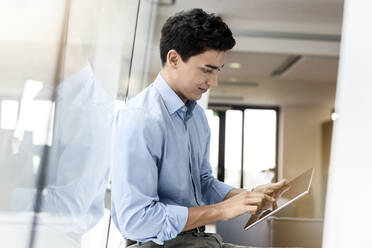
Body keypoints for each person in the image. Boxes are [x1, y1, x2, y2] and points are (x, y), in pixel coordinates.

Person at [111, 8, 286, 248]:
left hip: (195, 240)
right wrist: (220, 210)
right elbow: (137, 221)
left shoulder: (197, 117)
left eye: (217, 70)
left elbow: (202, 181)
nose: (213, 82)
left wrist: (245, 197)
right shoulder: (141, 118)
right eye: (207, 70)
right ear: (173, 59)